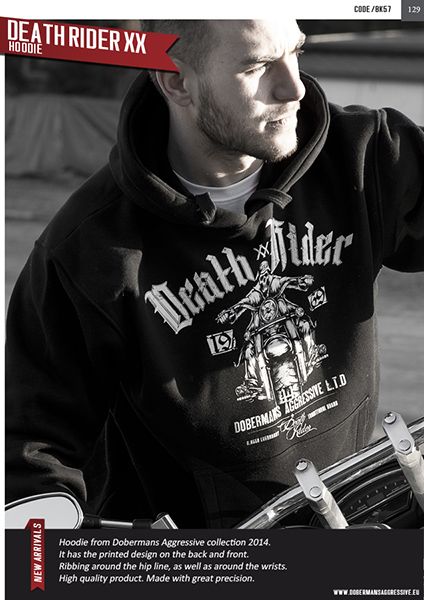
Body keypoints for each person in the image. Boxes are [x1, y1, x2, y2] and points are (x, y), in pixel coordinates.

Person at [6, 19, 424, 528]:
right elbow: (30, 465)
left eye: (295, 52)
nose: (293, 88)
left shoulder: (366, 156)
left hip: (367, 524)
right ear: (176, 81)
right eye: (257, 65)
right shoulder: (85, 250)